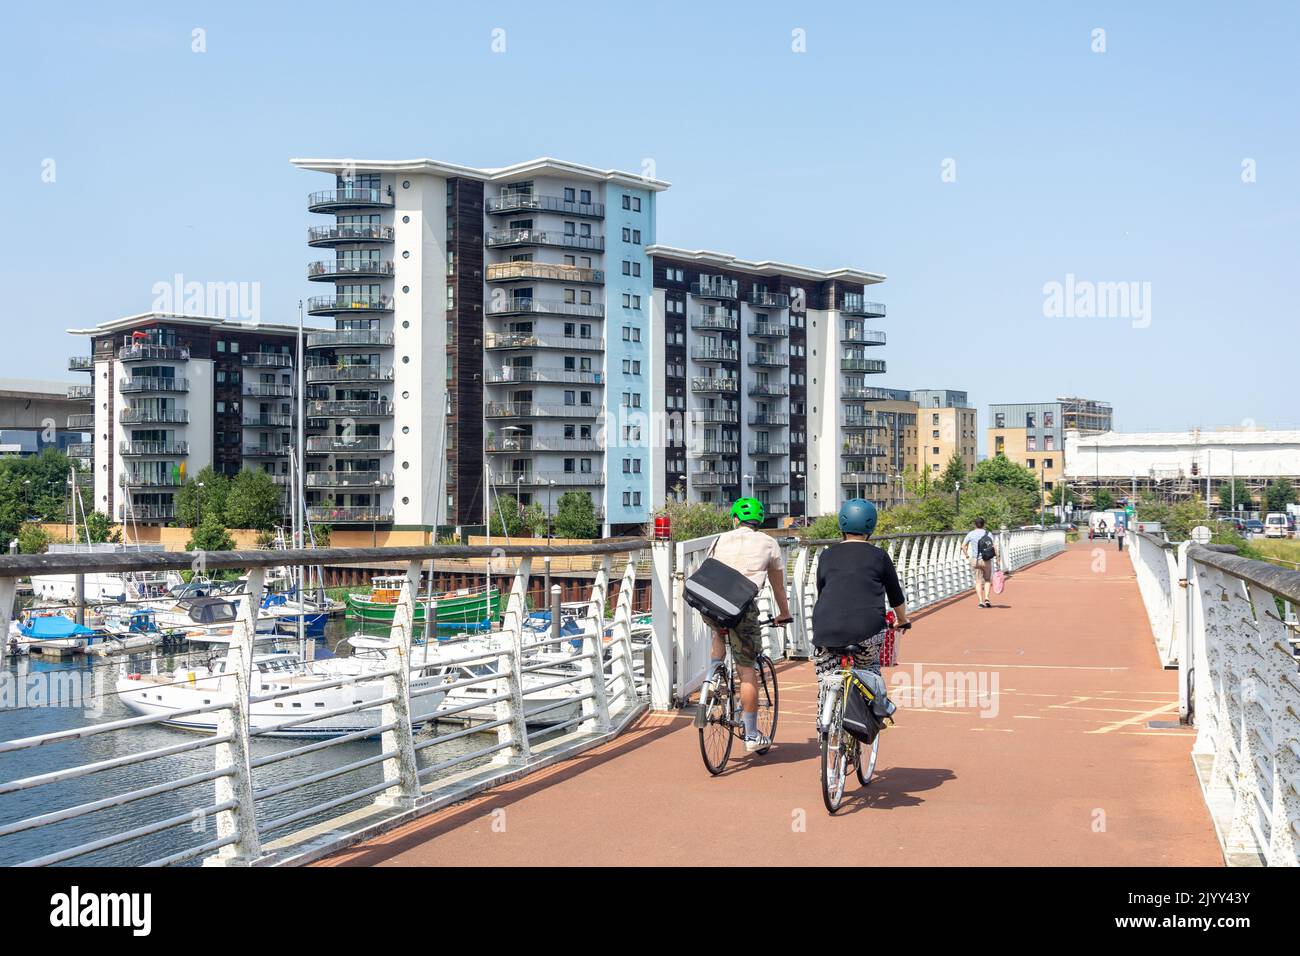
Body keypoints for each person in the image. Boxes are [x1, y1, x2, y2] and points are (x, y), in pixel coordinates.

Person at [705, 497, 793, 752]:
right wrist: (784, 613)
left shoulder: (720, 539)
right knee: (747, 671)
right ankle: (752, 736)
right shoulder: (768, 543)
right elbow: (777, 585)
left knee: (719, 634)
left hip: (710, 604)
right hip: (741, 609)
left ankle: (712, 677)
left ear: (735, 519)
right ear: (760, 521)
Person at [811, 499, 911, 698]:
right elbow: (895, 596)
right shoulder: (879, 556)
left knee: (826, 680)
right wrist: (902, 620)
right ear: (871, 526)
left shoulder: (826, 555)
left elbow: (822, 590)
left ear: (842, 524)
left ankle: (825, 721)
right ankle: (872, 709)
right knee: (869, 668)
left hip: (826, 629)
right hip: (867, 630)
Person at [962, 517, 997, 608]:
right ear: (983, 524)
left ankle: (981, 602)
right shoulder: (988, 533)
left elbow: (963, 546)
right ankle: (987, 598)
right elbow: (994, 546)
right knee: (987, 580)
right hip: (987, 560)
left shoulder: (971, 534)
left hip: (975, 560)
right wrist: (998, 558)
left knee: (978, 581)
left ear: (975, 524)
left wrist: (967, 556)